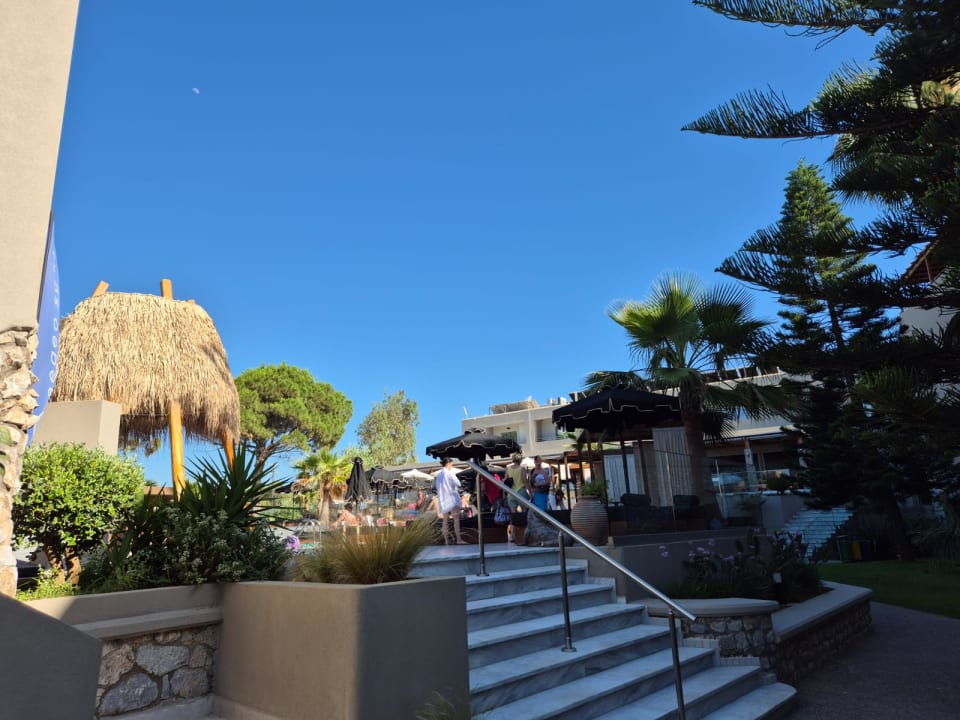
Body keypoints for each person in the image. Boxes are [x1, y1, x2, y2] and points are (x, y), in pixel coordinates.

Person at [435, 457, 467, 545]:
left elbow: (437, 487)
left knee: (445, 520)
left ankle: (446, 541)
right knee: (456, 519)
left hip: (443, 499)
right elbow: (458, 483)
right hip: (452, 498)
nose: (452, 466)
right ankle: (459, 539)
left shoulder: (439, 475)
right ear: (448, 464)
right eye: (451, 465)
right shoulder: (450, 473)